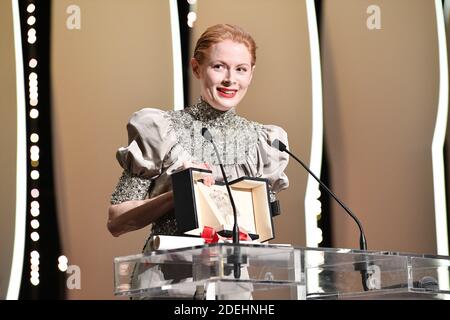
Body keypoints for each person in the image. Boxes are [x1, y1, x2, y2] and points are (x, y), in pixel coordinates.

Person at [107, 24, 289, 298]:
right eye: (219, 66)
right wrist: (176, 193)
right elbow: (117, 221)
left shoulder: (265, 143)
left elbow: (257, 232)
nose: (230, 79)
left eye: (241, 68)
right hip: (167, 283)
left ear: (251, 73)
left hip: (232, 286)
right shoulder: (162, 130)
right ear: (196, 68)